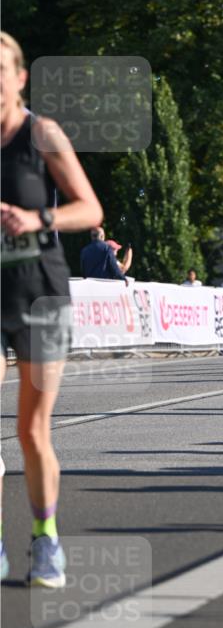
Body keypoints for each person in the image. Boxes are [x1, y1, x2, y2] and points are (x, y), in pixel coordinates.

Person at [1, 32, 103, 585]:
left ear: (20, 78)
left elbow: (90, 209)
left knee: (31, 430)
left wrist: (37, 218)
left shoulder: (42, 133)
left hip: (40, 290)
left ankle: (46, 540)